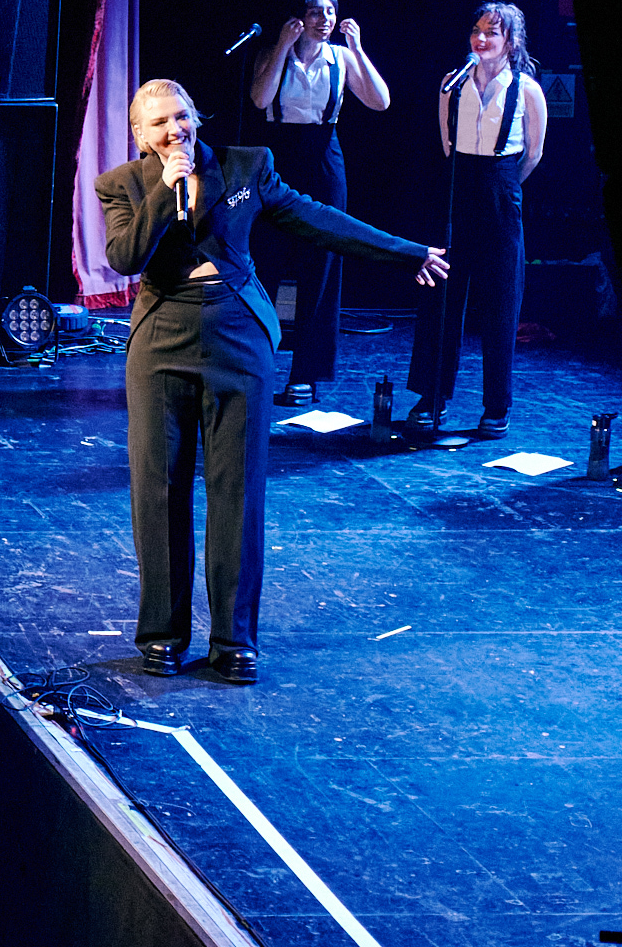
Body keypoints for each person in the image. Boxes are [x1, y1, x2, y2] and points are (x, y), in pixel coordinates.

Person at [96, 79, 448, 684]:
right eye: (159, 124)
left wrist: (406, 252)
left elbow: (320, 221)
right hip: (161, 342)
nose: (175, 130)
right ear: (140, 135)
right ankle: (163, 635)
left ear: (196, 116)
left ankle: (234, 640)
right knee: (159, 491)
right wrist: (164, 185)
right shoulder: (123, 184)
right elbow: (127, 257)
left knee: (238, 492)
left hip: (237, 337)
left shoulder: (247, 167)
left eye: (182, 116)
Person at [245, 0, 396, 403]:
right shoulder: (274, 51)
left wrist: (359, 49)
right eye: (315, 12)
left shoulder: (342, 58)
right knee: (266, 261)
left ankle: (305, 374)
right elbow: (259, 100)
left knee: (322, 265)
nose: (324, 20)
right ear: (298, 18)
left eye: (330, 11)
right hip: (280, 156)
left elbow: (381, 102)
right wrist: (281, 46)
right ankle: (255, 364)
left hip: (324, 157)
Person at [408, 1, 550, 440]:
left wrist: (501, 185)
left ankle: (496, 404)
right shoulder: (452, 85)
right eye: (477, 30)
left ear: (511, 41)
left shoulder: (527, 89)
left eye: (492, 32)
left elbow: (533, 153)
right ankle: (432, 395)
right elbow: (447, 145)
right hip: (458, 186)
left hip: (501, 187)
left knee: (501, 299)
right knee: (443, 295)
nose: (481, 39)